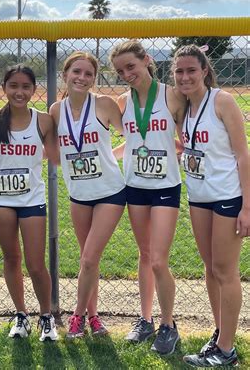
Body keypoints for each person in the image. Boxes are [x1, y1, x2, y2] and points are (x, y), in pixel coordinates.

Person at [172, 45, 249, 368]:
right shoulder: (183, 107)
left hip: (227, 196)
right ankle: (220, 336)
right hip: (199, 195)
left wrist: (247, 206)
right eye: (179, 71)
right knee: (209, 267)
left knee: (224, 270)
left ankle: (227, 349)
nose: (185, 76)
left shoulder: (222, 101)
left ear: (204, 70)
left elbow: (243, 155)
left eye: (191, 70)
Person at [110, 40, 186, 355]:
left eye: (131, 66)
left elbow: (185, 140)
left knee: (158, 259)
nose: (127, 74)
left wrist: (169, 153)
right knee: (144, 255)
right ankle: (145, 320)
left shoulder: (172, 95)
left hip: (165, 186)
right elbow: (130, 140)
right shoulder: (121, 103)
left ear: (147, 60)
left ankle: (169, 325)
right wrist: (111, 156)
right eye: (120, 70)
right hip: (135, 186)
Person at [0, 65, 58, 341]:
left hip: (32, 199)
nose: (19, 92)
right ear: (4, 88)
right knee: (12, 257)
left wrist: (29, 166)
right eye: (13, 86)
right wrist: (6, 168)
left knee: (36, 263)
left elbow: (55, 156)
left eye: (25, 86)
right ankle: (21, 315)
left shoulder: (44, 121)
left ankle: (46, 316)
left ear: (34, 89)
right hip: (0, 199)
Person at [49, 51, 126, 339]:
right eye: (76, 72)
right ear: (66, 74)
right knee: (87, 259)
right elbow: (57, 154)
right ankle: (95, 318)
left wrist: (112, 156)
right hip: (79, 193)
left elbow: (133, 134)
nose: (82, 78)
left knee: (90, 259)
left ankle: (77, 318)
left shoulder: (103, 104)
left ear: (94, 79)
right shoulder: (57, 110)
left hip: (110, 192)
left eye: (88, 74)